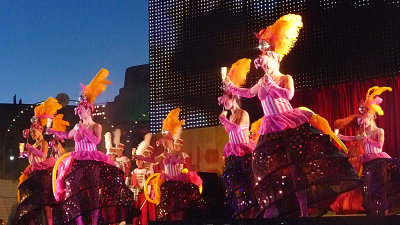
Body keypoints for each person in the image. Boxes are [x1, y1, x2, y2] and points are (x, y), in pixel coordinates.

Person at [223, 14, 361, 217]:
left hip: (287, 123)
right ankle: (273, 207)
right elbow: (248, 93)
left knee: (296, 172)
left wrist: (273, 86)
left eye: (266, 57)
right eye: (261, 58)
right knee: (262, 168)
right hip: (270, 128)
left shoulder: (284, 78)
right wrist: (233, 88)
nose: (262, 61)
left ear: (276, 58)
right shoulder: (261, 82)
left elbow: (289, 95)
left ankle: (304, 211)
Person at [49, 69, 139, 224]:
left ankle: (95, 220)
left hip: (92, 162)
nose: (78, 113)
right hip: (77, 161)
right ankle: (79, 222)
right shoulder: (77, 126)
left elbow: (96, 141)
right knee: (72, 191)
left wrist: (83, 130)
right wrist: (52, 131)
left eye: (80, 110)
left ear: (89, 109)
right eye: (77, 111)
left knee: (94, 194)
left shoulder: (96, 126)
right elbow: (66, 135)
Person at [337, 86, 400, 215]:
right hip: (368, 162)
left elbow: (379, 145)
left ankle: (384, 213)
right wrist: (341, 137)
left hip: (379, 161)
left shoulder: (379, 131)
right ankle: (370, 213)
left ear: (372, 118)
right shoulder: (363, 132)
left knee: (381, 189)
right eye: (362, 119)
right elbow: (354, 137)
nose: (363, 122)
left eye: (365, 119)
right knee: (367, 188)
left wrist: (367, 140)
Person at [135, 108, 206, 220]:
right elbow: (153, 160)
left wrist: (170, 155)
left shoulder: (176, 152)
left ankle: (178, 221)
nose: (165, 143)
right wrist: (140, 157)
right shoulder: (164, 154)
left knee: (178, 206)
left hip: (177, 181)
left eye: (167, 141)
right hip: (167, 181)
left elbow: (180, 161)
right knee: (168, 206)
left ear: (171, 142)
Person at [15, 97, 68, 225]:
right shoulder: (33, 144)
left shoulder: (43, 142)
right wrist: (25, 153)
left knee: (45, 203)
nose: (32, 134)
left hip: (42, 175)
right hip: (33, 175)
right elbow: (32, 156)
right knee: (33, 205)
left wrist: (31, 150)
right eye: (31, 132)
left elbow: (43, 156)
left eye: (34, 131)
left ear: (40, 131)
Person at [218, 89, 257, 218]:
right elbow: (230, 132)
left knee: (248, 184)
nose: (224, 102)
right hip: (233, 152)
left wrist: (224, 121)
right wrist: (225, 119)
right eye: (223, 100)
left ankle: (252, 214)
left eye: (225, 99)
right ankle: (241, 214)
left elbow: (238, 129)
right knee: (236, 186)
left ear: (233, 98)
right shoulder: (230, 116)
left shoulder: (243, 113)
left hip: (243, 152)